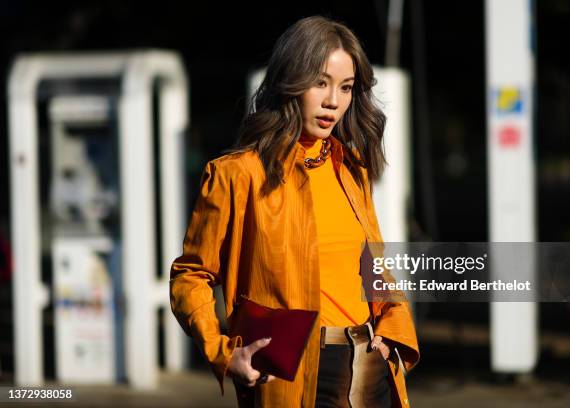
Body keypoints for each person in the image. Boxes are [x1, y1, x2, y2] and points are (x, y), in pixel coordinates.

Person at [170, 16, 419, 408]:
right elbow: (190, 276)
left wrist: (394, 329)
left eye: (346, 87)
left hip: (371, 364)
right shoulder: (237, 176)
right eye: (320, 82)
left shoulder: (352, 169)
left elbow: (374, 269)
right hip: (290, 374)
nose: (333, 101)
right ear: (290, 80)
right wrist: (223, 352)